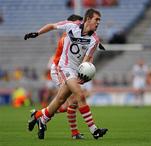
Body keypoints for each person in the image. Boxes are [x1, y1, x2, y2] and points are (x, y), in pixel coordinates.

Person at [24, 8, 108, 140]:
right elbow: (52, 26)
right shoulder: (71, 26)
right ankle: (94, 130)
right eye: (96, 20)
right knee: (79, 95)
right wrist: (37, 33)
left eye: (99, 21)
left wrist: (82, 75)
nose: (98, 23)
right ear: (88, 19)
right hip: (64, 67)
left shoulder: (94, 40)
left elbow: (86, 61)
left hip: (75, 71)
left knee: (60, 100)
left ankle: (41, 118)